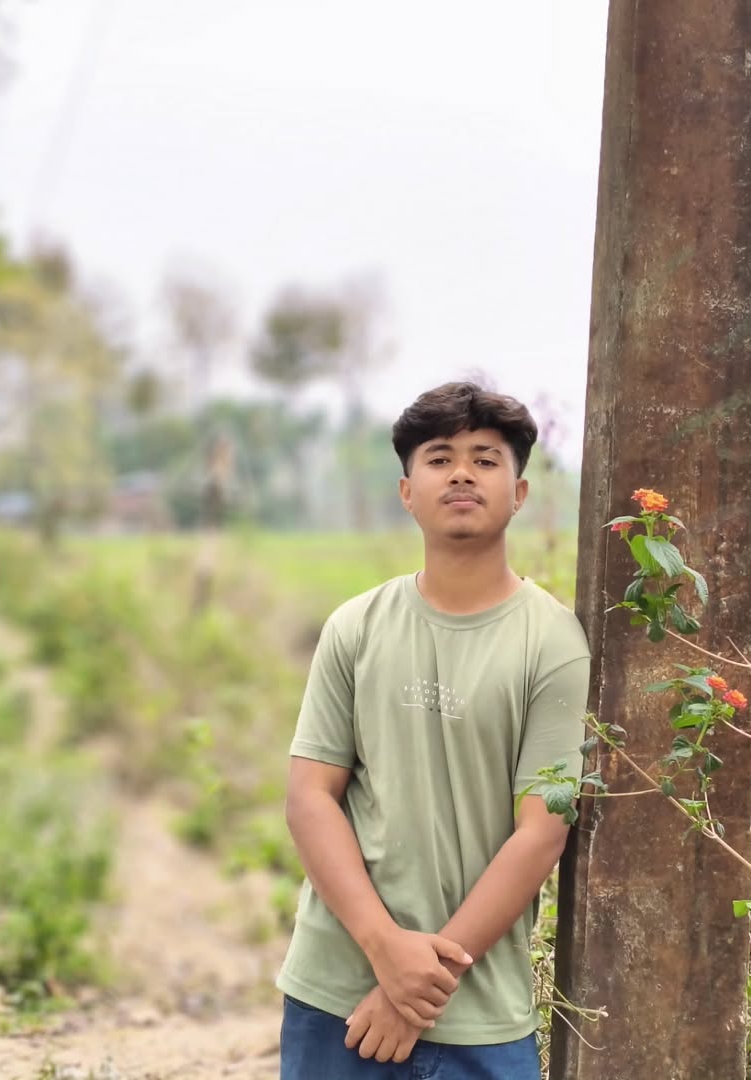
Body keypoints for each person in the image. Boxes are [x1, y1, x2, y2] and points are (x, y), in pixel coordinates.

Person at [276, 381, 591, 1079]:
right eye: (440, 458)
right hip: (337, 990)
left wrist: (420, 986)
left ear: (519, 493)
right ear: (407, 492)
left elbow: (541, 832)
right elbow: (310, 797)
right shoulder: (356, 627)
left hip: (478, 1010)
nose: (461, 474)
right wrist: (385, 950)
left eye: (485, 459)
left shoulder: (553, 644)